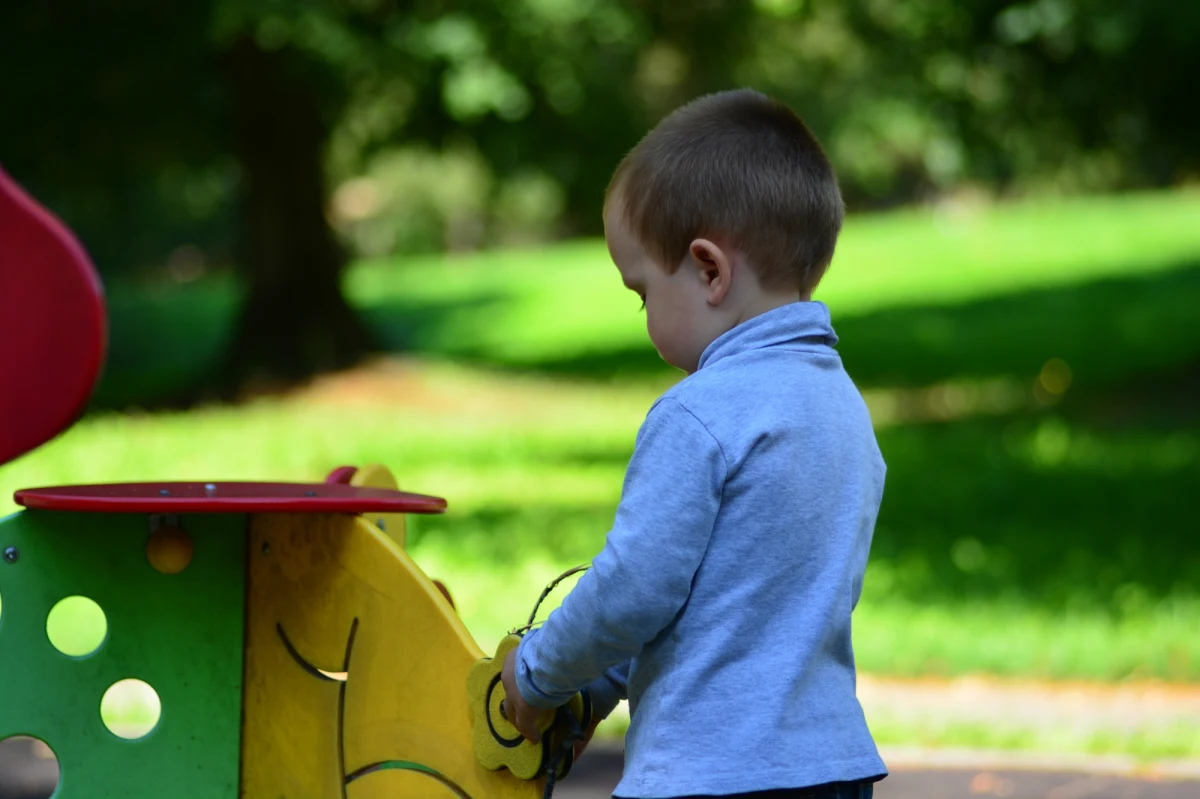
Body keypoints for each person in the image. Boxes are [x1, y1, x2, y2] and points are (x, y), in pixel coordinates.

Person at [501, 88, 888, 799]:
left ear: (709, 270)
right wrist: (593, 690)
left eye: (642, 292)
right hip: (831, 769)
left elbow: (633, 588)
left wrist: (539, 671)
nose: (644, 317)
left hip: (707, 776)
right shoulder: (842, 407)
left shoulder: (699, 413)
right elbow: (715, 597)